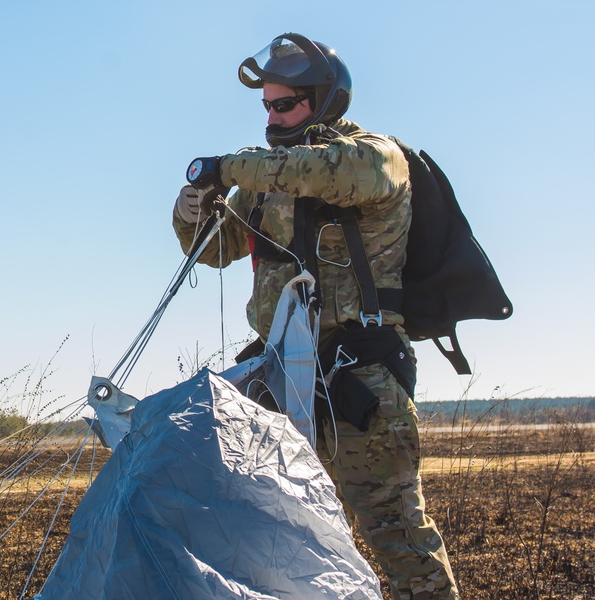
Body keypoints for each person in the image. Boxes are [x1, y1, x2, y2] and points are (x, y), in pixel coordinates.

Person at [172, 33, 458, 600]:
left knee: (396, 537)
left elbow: (325, 172)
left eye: (286, 104)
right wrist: (191, 209)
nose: (272, 117)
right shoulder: (263, 183)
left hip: (359, 378)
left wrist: (230, 166)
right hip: (275, 379)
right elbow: (215, 248)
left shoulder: (374, 158)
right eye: (267, 106)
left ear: (325, 101)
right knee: (272, 541)